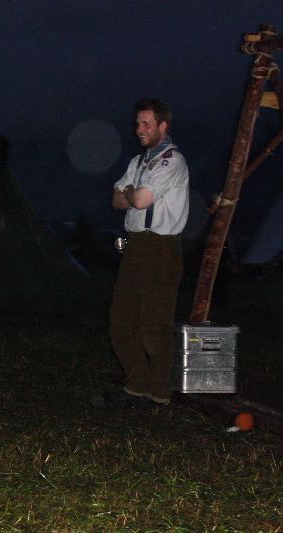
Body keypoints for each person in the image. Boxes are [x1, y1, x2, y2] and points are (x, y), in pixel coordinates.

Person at [109, 98, 189, 405]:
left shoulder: (172, 160)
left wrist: (129, 192)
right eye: (138, 123)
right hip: (135, 246)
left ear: (162, 126)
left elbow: (139, 200)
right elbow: (116, 200)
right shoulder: (138, 162)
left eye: (146, 124)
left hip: (161, 248)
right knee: (120, 320)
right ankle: (137, 382)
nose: (139, 129)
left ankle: (159, 390)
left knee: (154, 322)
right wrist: (131, 194)